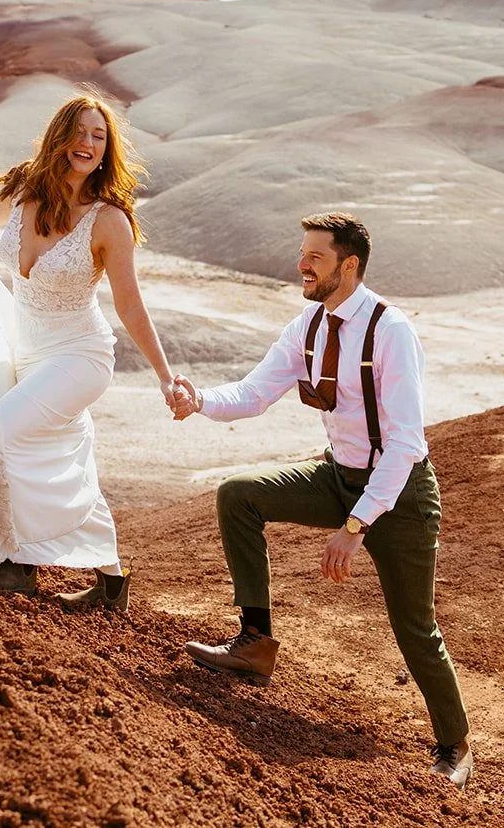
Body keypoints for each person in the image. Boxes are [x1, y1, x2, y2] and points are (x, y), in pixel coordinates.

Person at [169, 212, 475, 789]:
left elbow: (406, 443)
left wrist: (355, 527)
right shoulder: (309, 323)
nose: (301, 264)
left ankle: (454, 744)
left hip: (400, 493)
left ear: (349, 265)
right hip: (338, 475)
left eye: (315, 256)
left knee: (414, 627)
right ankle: (255, 643)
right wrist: (199, 400)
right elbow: (256, 393)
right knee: (239, 495)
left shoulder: (390, 330)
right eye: (302, 253)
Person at [0, 90, 178, 609]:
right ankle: (112, 580)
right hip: (25, 353)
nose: (88, 144)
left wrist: (165, 376)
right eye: (80, 132)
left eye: (100, 136)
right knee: (54, 457)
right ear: (60, 137)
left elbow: (130, 305)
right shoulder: (28, 186)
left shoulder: (108, 221)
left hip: (80, 357)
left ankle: (16, 563)